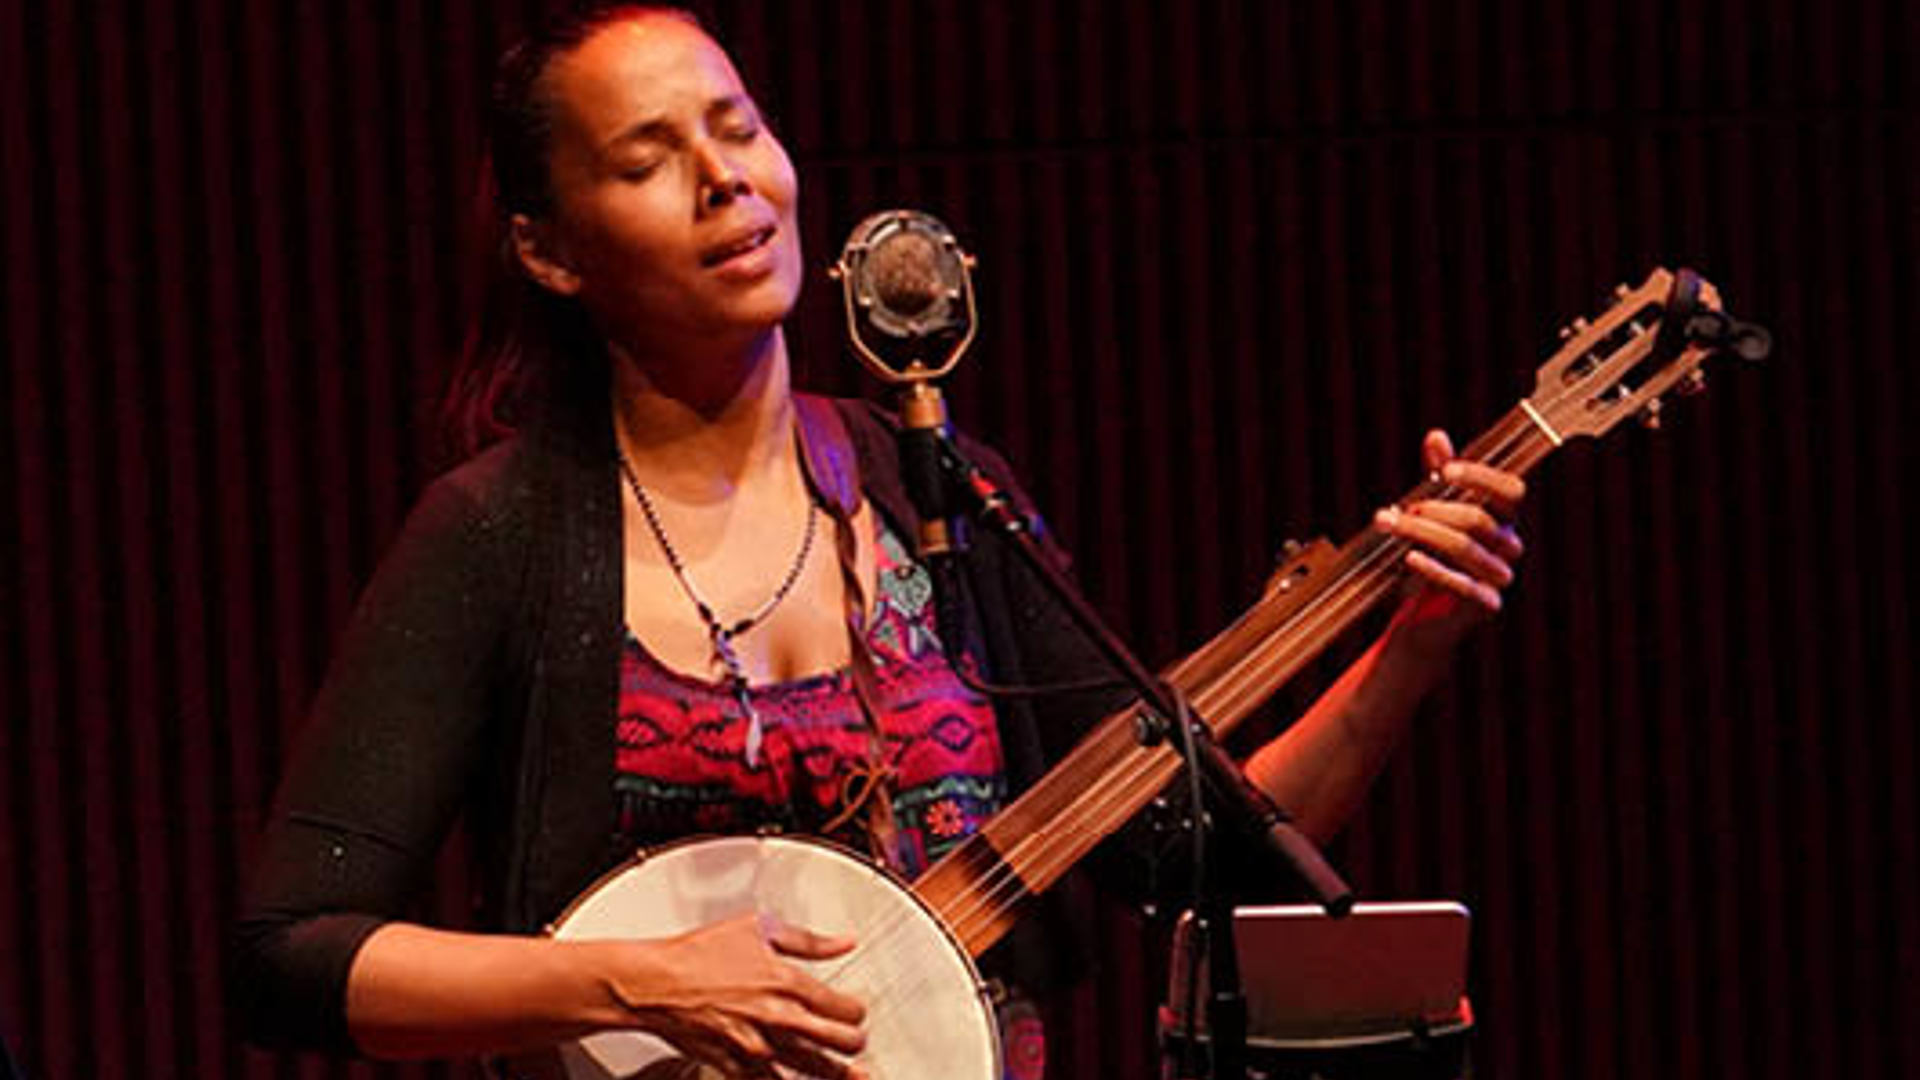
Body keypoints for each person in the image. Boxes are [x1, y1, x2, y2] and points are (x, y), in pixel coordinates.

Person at [232, 6, 1526, 1079]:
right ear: (549, 249)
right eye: (646, 160)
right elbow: (290, 950)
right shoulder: (502, 533)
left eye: (737, 127)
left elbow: (1182, 853)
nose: (725, 178)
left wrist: (1406, 650)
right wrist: (631, 980)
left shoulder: (938, 496)